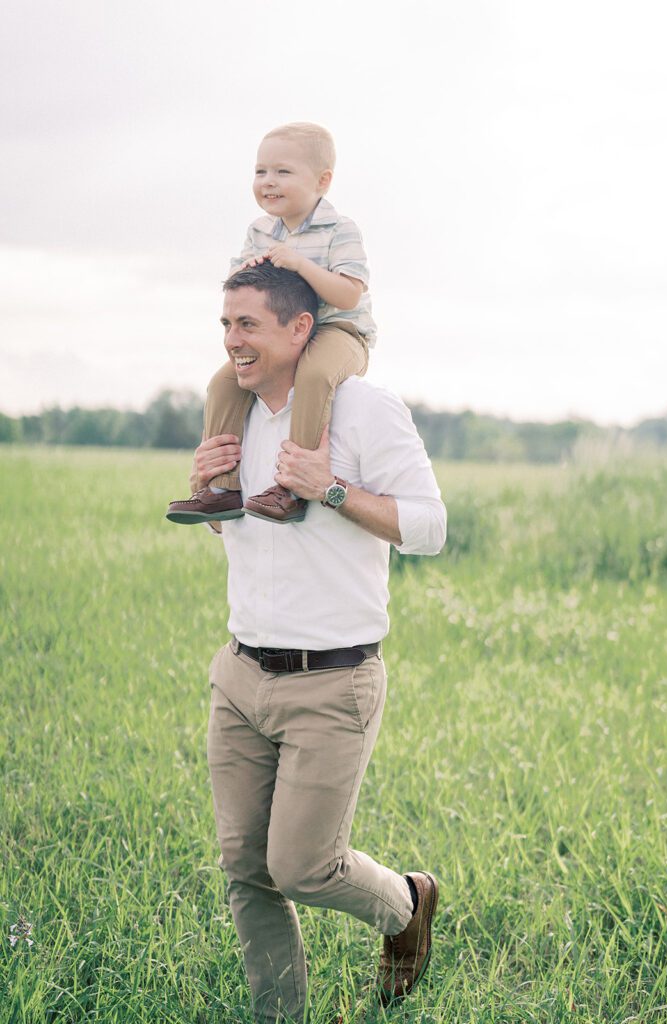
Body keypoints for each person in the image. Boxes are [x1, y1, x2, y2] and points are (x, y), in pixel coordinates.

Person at [197, 263, 446, 1022]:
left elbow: (431, 528)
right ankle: (280, 1015)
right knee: (245, 867)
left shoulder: (363, 408)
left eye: (249, 326)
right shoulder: (231, 413)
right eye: (226, 325)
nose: (232, 343)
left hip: (333, 682)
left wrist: (330, 488)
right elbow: (238, 535)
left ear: (300, 329)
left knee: (302, 865)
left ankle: (407, 905)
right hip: (240, 675)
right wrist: (211, 490)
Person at [166, 121, 375, 527]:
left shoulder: (340, 229)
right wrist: (250, 266)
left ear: (322, 181)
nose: (268, 182)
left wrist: (300, 265)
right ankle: (220, 488)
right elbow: (239, 278)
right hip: (282, 335)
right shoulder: (259, 231)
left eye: (282, 172)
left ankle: (292, 487)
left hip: (339, 332)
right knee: (222, 383)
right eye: (260, 172)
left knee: (314, 375)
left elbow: (350, 294)